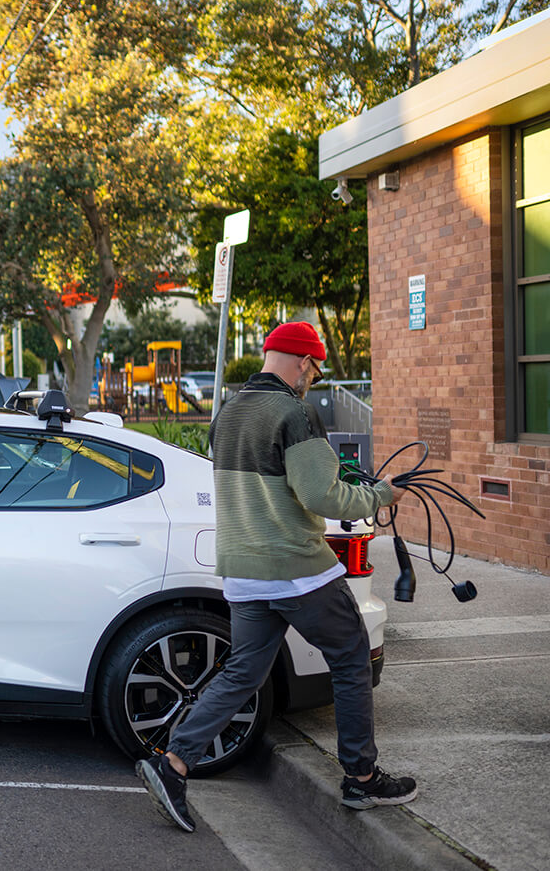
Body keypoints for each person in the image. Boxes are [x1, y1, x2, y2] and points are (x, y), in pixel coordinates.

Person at [136, 321, 416, 833]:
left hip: (242, 569)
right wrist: (381, 496)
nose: (312, 377)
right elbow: (321, 497)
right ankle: (362, 777)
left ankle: (172, 762)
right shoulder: (295, 412)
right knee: (352, 655)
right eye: (314, 367)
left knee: (243, 671)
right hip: (294, 568)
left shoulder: (228, 413)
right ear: (304, 362)